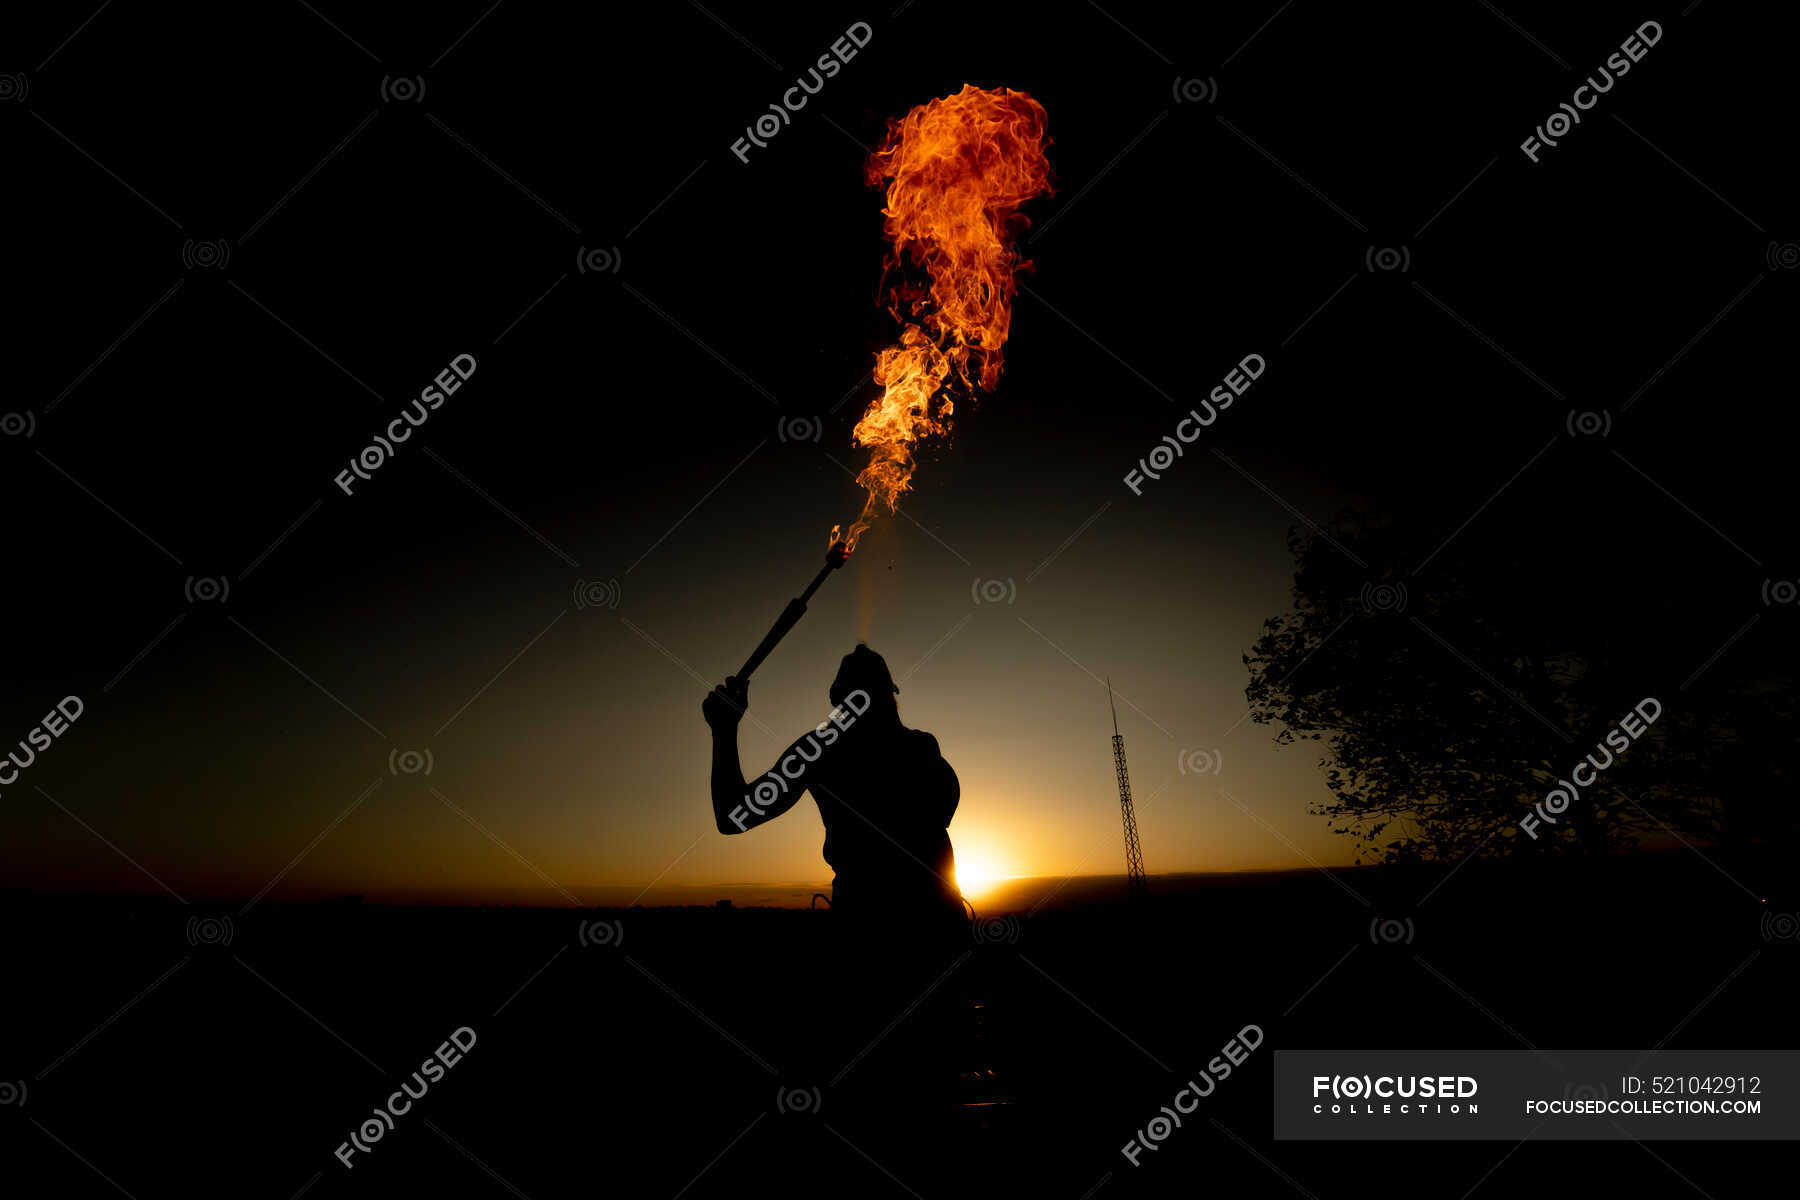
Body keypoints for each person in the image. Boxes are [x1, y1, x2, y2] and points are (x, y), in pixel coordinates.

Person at [703, 644, 965, 933]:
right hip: (939, 924)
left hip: (864, 924)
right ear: (891, 695)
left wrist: (724, 729)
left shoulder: (818, 752)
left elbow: (732, 816)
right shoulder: (924, 749)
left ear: (837, 700)